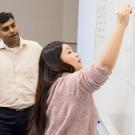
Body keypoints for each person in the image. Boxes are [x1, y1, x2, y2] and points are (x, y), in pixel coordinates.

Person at [28, 5, 132, 135]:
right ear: (56, 61)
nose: (76, 54)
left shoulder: (53, 86)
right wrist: (121, 24)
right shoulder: (68, 84)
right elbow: (104, 66)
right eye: (69, 52)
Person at [0, 12, 42, 135]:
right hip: (3, 117)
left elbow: (47, 76)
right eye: (6, 29)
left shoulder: (35, 48)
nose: (12, 30)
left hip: (31, 113)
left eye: (13, 25)